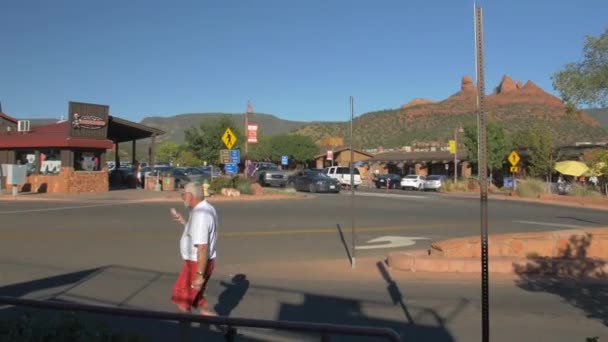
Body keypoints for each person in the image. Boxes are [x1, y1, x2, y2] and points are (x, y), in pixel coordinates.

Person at [170, 182, 218, 316]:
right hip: (198, 263)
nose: (182, 198)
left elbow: (202, 247)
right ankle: (225, 328)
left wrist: (199, 275)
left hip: (197, 264)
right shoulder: (204, 208)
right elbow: (196, 233)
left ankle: (183, 335)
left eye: (183, 195)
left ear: (190, 196)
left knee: (182, 301)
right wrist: (184, 221)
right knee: (199, 300)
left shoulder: (201, 215)